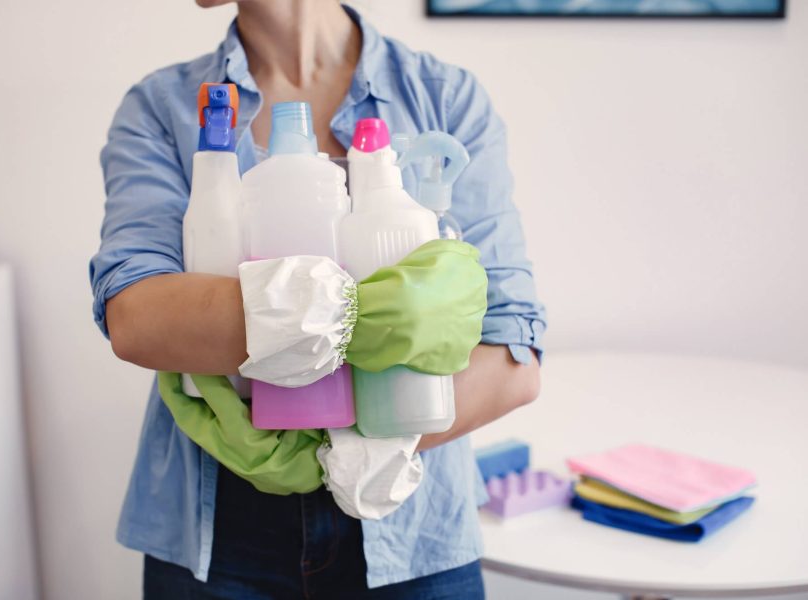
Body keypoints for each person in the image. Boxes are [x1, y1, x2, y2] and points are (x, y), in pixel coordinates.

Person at [90, 1, 546, 597]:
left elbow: (513, 358)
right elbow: (137, 317)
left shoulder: (444, 98)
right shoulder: (163, 106)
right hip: (217, 531)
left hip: (413, 527)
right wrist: (357, 317)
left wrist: (344, 453)